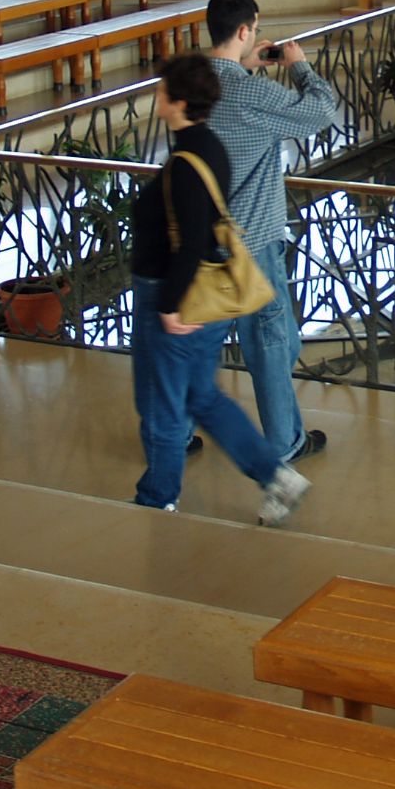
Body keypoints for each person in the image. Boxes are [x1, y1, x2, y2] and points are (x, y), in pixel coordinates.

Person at [128, 53, 310, 524]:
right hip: (205, 300)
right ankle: (275, 475)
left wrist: (170, 306)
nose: (157, 95)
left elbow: (190, 242)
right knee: (200, 398)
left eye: (163, 89)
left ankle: (157, 499)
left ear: (178, 101)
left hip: (177, 298)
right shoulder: (209, 146)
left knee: (165, 407)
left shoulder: (188, 162)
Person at [204, 0, 340, 465]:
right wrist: (299, 66)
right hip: (254, 239)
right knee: (270, 341)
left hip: (204, 235)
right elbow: (323, 113)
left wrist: (249, 66)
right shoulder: (251, 92)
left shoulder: (196, 82)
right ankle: (285, 443)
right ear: (245, 31)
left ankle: (172, 433)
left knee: (197, 343)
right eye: (255, 30)